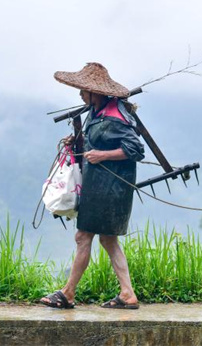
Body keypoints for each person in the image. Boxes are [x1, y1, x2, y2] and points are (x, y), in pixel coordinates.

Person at [40, 62, 145, 310]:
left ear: (95, 92)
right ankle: (127, 294)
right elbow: (101, 140)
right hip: (100, 186)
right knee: (108, 240)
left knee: (83, 236)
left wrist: (101, 155)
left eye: (83, 90)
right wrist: (78, 142)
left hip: (110, 188)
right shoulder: (98, 112)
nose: (80, 94)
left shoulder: (116, 117)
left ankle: (68, 293)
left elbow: (135, 149)